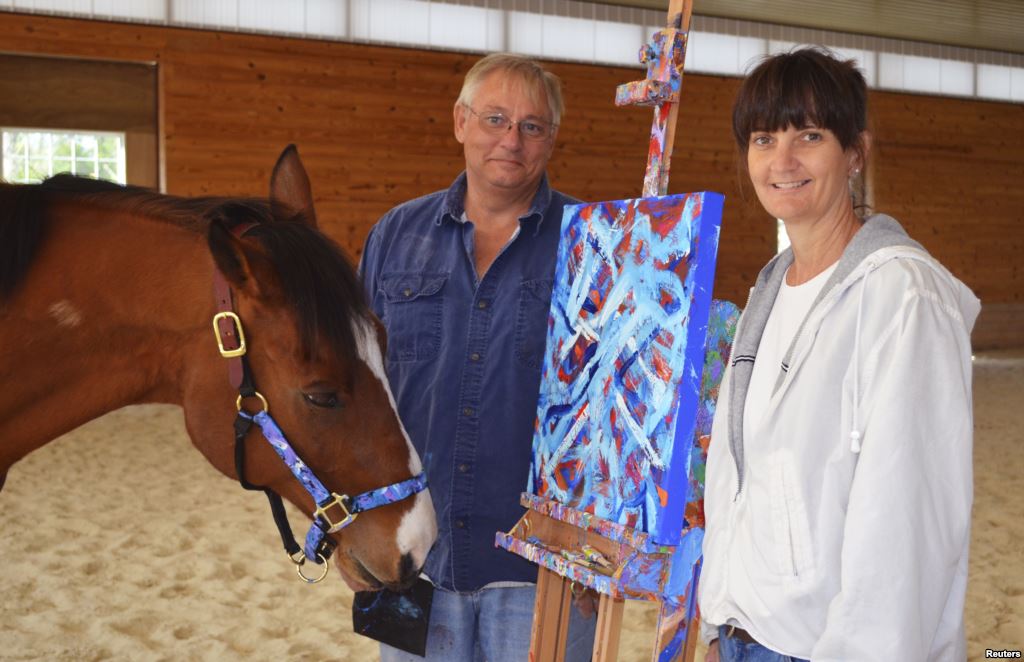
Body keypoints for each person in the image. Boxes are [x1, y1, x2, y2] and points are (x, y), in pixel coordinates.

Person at [698, 47, 980, 661]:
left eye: (811, 135)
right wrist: (718, 618)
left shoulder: (904, 299)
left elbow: (907, 530)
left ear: (856, 153)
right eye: (764, 138)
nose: (784, 160)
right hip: (744, 638)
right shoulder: (766, 295)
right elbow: (736, 479)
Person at [358, 53, 596, 661]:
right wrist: (352, 531)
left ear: (551, 140)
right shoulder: (394, 235)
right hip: (414, 559)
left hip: (542, 566)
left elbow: (616, 412)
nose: (511, 140)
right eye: (494, 118)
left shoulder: (593, 246)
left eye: (532, 126)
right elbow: (359, 396)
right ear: (461, 121)